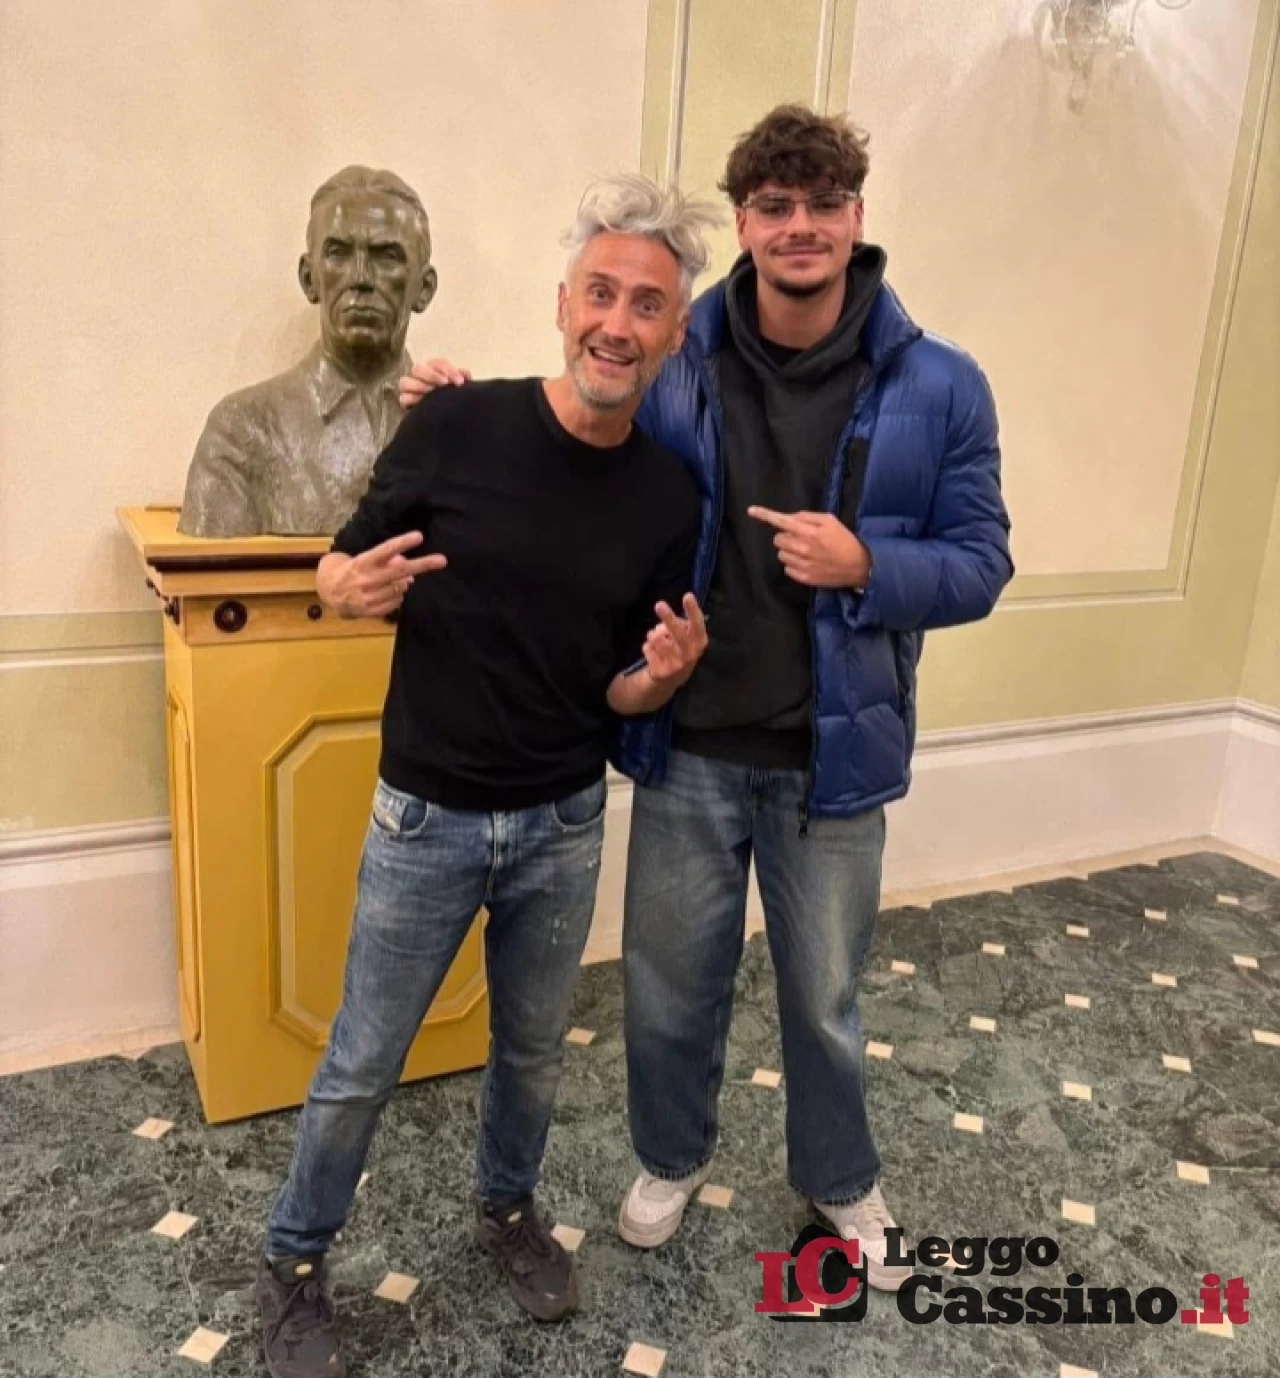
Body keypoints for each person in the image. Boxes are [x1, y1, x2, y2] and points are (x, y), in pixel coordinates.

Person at [401, 104, 1014, 1295]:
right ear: (742, 222)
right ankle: (669, 1157)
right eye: (774, 206)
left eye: (821, 203)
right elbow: (573, 417)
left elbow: (981, 561)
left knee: (824, 997)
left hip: (832, 757)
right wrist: (457, 405)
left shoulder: (939, 383)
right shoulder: (677, 355)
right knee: (666, 986)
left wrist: (868, 563)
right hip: (683, 743)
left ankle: (838, 1177)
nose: (798, 226)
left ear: (856, 216)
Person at [255, 173, 717, 1378]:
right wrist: (339, 586)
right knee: (362, 1060)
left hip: (562, 823)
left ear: (674, 332)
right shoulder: (455, 425)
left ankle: (507, 1207)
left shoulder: (668, 494)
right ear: (563, 303)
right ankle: (294, 1260)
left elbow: (618, 687)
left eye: (647, 305)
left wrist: (660, 677)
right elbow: (342, 565)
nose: (616, 323)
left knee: (528, 1051)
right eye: (600, 293)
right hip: (426, 820)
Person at [179, 166, 437, 537]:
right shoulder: (242, 429)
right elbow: (212, 568)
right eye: (338, 254)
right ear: (308, 278)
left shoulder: (457, 431)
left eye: (387, 256)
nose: (361, 277)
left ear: (424, 289)